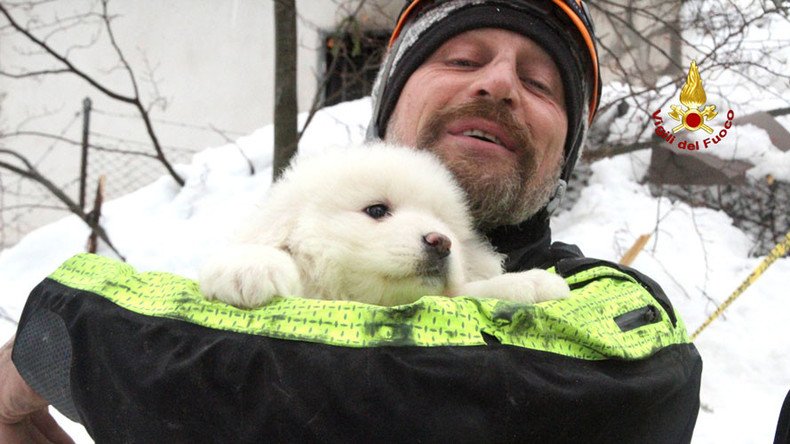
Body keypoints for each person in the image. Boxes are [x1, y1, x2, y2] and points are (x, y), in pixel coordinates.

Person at [1, 1, 702, 442]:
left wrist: (62, 336)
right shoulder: (296, 219)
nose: (497, 84)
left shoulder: (606, 306)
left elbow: (429, 392)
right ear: (389, 103)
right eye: (462, 58)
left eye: (541, 84)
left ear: (567, 148)